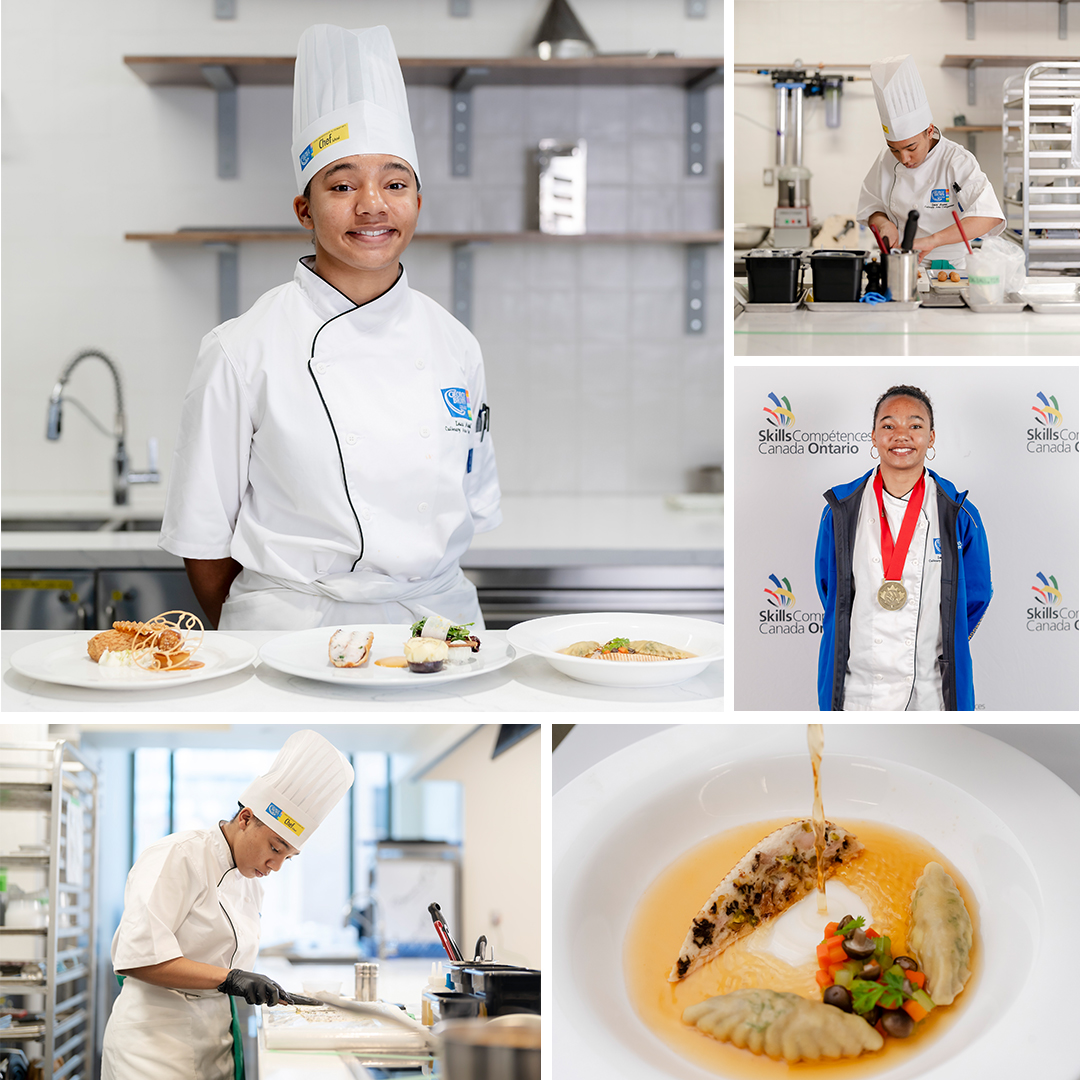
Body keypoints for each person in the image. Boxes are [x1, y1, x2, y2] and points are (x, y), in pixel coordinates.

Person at [159, 24, 501, 630]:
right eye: (342, 185)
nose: (372, 205)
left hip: (441, 629)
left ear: (417, 204)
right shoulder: (241, 349)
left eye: (395, 184)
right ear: (304, 210)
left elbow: (469, 503)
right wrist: (260, 637)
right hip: (294, 631)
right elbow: (204, 537)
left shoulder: (455, 344)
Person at [101, 730, 354, 1080]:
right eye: (275, 848)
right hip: (153, 1049)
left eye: (289, 857)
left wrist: (255, 984)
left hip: (214, 1045)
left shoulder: (250, 885)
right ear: (246, 818)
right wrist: (231, 978)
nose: (276, 865)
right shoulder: (179, 855)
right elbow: (138, 957)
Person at [815, 386, 992, 711]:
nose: (901, 435)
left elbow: (976, 595)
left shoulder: (958, 513)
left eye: (915, 425)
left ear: (931, 437)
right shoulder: (841, 510)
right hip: (858, 691)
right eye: (888, 425)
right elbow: (830, 590)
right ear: (873, 436)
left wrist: (941, 638)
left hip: (933, 691)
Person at [856, 55, 1005, 271]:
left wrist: (933, 240)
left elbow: (989, 216)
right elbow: (871, 207)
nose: (904, 159)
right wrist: (883, 223)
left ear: (929, 131)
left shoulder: (956, 160)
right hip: (903, 265)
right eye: (894, 149)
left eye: (911, 148)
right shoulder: (885, 160)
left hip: (953, 269)